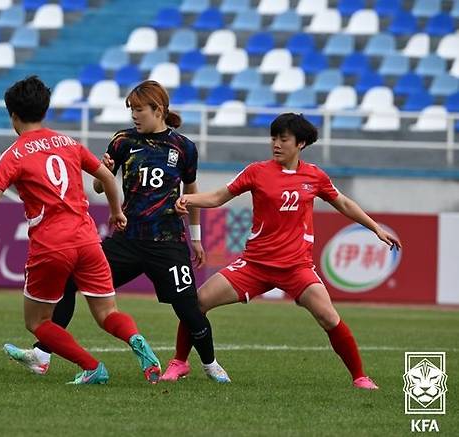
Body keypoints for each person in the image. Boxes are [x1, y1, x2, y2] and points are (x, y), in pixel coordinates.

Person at [0, 76, 161, 385]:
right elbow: (108, 177)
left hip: (52, 245)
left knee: (37, 321)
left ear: (13, 116)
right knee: (108, 313)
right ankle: (135, 339)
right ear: (45, 110)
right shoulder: (69, 143)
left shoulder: (13, 154)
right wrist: (116, 212)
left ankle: (92, 366)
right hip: (88, 238)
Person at [4, 80, 230, 383]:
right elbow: (100, 184)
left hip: (167, 241)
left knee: (189, 307)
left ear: (158, 109)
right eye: (131, 109)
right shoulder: (123, 141)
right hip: (128, 240)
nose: (134, 115)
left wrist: (197, 237)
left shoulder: (184, 147)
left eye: (139, 109)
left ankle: (209, 364)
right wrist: (105, 169)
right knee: (69, 282)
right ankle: (42, 355)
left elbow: (192, 192)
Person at [169, 113, 402, 390]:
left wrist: (375, 228)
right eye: (273, 138)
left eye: (283, 139)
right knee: (197, 304)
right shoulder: (256, 171)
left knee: (328, 316)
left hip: (296, 267)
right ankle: (180, 362)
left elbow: (343, 203)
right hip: (255, 264)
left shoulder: (315, 176)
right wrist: (187, 198)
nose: (276, 144)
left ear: (300, 143)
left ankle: (360, 377)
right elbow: (219, 197)